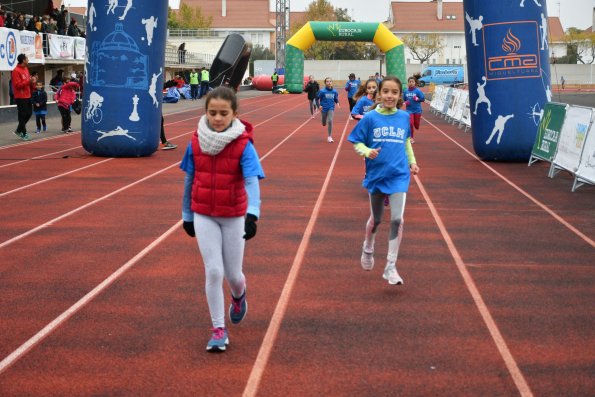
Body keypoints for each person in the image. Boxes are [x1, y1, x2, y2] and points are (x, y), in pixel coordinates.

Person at [180, 86, 265, 352]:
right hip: (203, 213)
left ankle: (239, 295)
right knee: (214, 271)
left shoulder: (243, 145)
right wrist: (186, 215)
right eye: (212, 112)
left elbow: (251, 181)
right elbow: (189, 180)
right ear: (206, 112)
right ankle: (218, 328)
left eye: (223, 113)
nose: (217, 118)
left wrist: (252, 214)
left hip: (234, 215)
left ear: (234, 114)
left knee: (233, 275)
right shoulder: (194, 142)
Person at [347, 75, 420, 285]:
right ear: (379, 94)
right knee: (377, 219)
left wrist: (412, 162)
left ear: (399, 96)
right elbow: (356, 141)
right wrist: (366, 151)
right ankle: (368, 246)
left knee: (398, 219)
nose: (389, 96)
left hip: (399, 175)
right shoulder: (370, 118)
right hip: (377, 176)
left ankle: (390, 266)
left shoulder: (404, 117)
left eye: (394, 92)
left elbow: (406, 142)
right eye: (386, 91)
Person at [11, 53, 36, 141]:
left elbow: (28, 82)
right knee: (22, 115)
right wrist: (28, 80)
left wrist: (33, 82)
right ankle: (24, 133)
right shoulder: (16, 71)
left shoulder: (26, 69)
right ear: (23, 60)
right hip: (20, 97)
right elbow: (17, 85)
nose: (28, 60)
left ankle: (18, 130)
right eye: (27, 59)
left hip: (27, 95)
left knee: (29, 114)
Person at [403, 73, 425, 143]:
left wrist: (417, 99)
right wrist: (406, 102)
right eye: (410, 82)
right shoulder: (406, 91)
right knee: (410, 124)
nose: (411, 83)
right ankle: (411, 138)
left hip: (417, 110)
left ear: (415, 83)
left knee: (416, 125)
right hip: (409, 110)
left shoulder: (417, 91)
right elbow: (403, 100)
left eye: (413, 82)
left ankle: (416, 125)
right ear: (408, 83)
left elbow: (423, 99)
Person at [316, 77, 340, 143]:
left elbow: (336, 99)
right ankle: (323, 121)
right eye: (327, 81)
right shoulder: (322, 91)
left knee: (330, 120)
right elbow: (316, 98)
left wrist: (337, 103)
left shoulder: (334, 91)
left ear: (332, 82)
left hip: (331, 108)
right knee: (324, 123)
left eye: (330, 81)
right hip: (323, 108)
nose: (329, 82)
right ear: (325, 83)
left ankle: (329, 136)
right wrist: (319, 106)